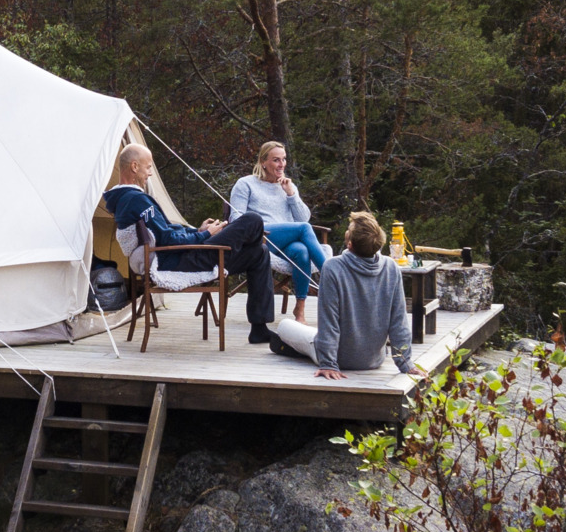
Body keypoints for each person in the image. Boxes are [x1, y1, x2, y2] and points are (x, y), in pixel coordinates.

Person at [102, 145, 278, 343]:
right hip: (180, 260)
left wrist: (198, 231)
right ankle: (230, 254)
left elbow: (166, 231)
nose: (150, 173)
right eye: (148, 167)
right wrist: (205, 237)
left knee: (260, 252)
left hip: (181, 256)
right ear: (135, 166)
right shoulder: (135, 200)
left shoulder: (127, 199)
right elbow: (167, 240)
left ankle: (259, 329)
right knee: (252, 220)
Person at [269, 212, 415, 379]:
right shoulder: (391, 267)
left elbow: (328, 321)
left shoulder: (333, 267)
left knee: (285, 326)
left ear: (350, 244)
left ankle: (296, 348)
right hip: (374, 360)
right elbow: (399, 322)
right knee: (311, 333)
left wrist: (328, 364)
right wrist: (406, 363)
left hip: (339, 359)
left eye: (349, 229)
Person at [228, 141, 326, 321]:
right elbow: (236, 220)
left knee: (302, 252)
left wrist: (291, 194)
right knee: (304, 229)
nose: (281, 164)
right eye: (276, 160)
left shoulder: (287, 185)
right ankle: (333, 276)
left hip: (287, 241)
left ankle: (300, 310)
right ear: (263, 162)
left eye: (284, 159)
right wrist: (259, 228)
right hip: (260, 240)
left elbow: (303, 217)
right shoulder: (245, 184)